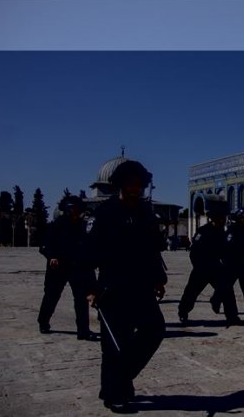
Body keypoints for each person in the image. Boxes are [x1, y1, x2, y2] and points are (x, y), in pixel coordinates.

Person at [87, 160, 168, 412]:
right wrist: (91, 288)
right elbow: (89, 253)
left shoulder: (145, 212)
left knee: (154, 330)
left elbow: (153, 249)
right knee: (114, 344)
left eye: (139, 184)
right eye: (131, 183)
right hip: (113, 287)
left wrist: (158, 279)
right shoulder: (106, 213)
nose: (136, 188)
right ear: (121, 184)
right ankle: (114, 393)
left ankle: (117, 381)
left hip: (142, 286)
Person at [37, 195, 98, 340]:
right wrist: (52, 256)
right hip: (58, 268)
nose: (75, 212)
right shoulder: (57, 225)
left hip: (76, 267)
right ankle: (43, 321)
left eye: (77, 209)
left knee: (81, 299)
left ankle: (83, 330)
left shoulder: (82, 226)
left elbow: (88, 246)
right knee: (51, 296)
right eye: (72, 209)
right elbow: (44, 245)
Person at [177, 199, 229, 324]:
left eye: (224, 218)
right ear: (214, 218)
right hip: (202, 268)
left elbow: (224, 251)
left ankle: (231, 315)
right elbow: (194, 252)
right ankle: (183, 312)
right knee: (191, 293)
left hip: (215, 267)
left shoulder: (222, 232)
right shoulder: (203, 231)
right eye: (220, 218)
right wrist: (199, 267)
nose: (223, 221)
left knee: (226, 289)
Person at [213, 207, 244, 321]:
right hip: (232, 263)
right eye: (243, 218)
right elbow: (228, 247)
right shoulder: (232, 230)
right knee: (226, 286)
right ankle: (216, 300)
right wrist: (241, 251)